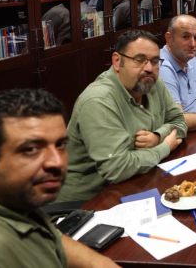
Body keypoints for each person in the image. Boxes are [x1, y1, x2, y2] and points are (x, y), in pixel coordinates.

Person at [58, 30, 188, 202]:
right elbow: (117, 168)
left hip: (136, 183)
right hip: (89, 202)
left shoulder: (152, 82)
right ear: (117, 61)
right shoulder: (98, 101)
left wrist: (157, 136)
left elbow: (180, 121)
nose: (149, 68)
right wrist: (165, 147)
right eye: (139, 60)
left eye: (155, 61)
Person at [0, 89, 121, 268]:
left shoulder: (20, 205)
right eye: (31, 149)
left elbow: (54, 239)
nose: (57, 162)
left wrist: (101, 263)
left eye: (60, 145)